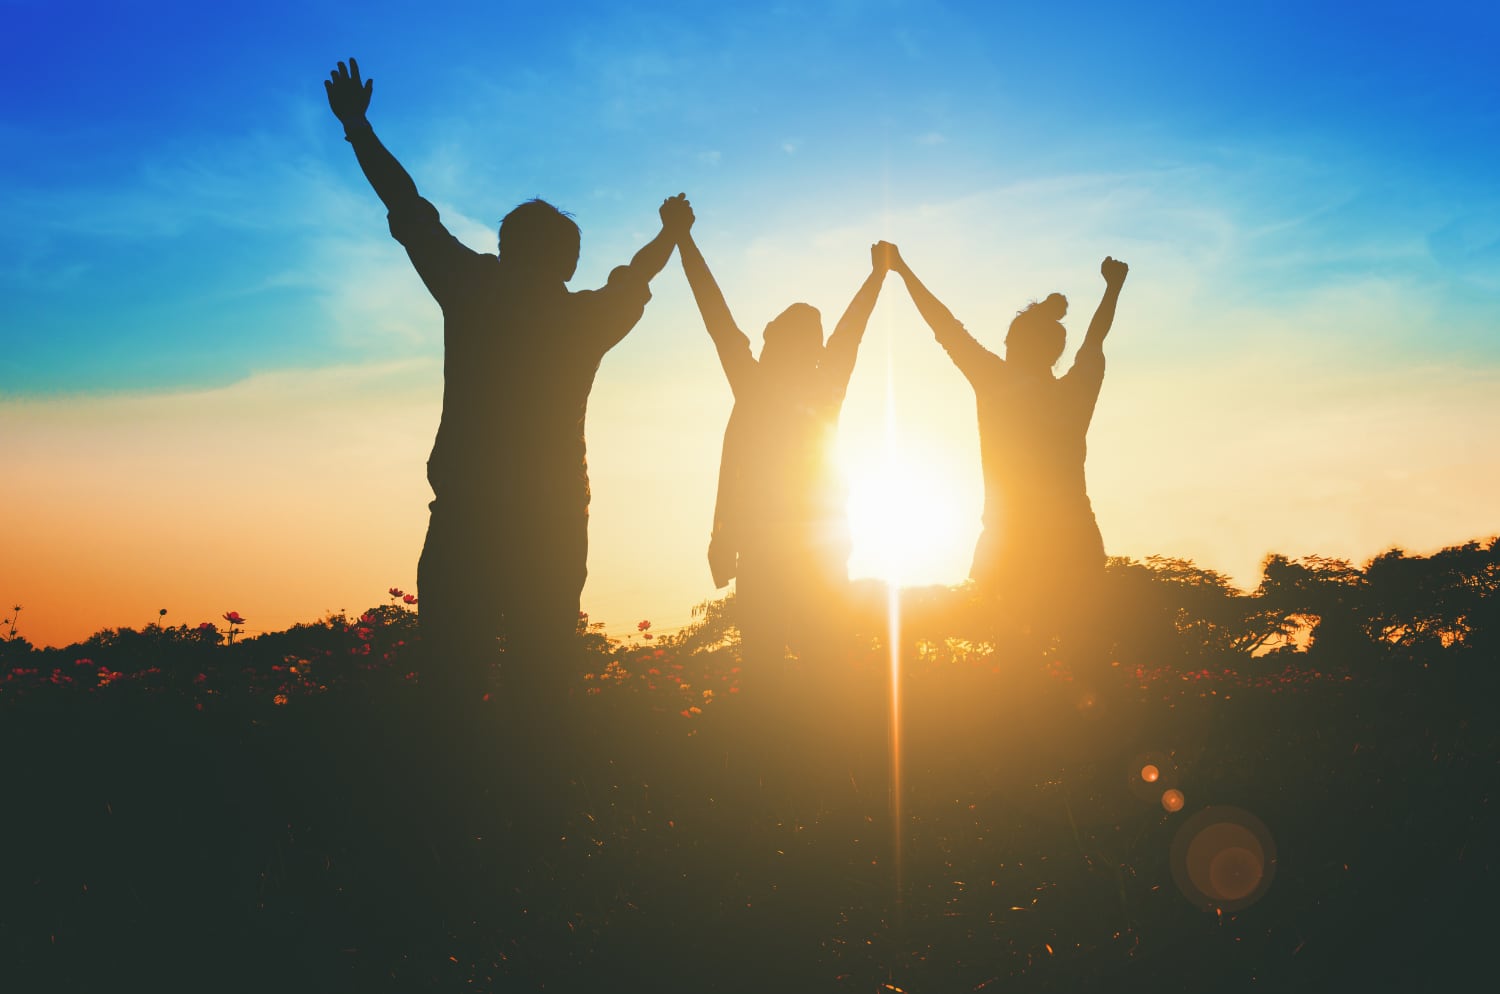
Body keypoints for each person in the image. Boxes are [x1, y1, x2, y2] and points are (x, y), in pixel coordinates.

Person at [324, 58, 693, 705]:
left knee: (452, 684)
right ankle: (536, 796)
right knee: (542, 684)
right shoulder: (582, 319)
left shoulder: (472, 290)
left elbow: (407, 206)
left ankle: (453, 798)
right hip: (551, 521)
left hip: (466, 520)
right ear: (570, 261)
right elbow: (636, 275)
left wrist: (358, 126)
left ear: (503, 247)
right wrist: (671, 232)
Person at [885, 244, 1128, 648]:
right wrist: (1113, 289)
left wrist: (902, 269)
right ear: (1053, 352)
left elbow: (945, 327)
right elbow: (1095, 339)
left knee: (1017, 667)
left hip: (1012, 541)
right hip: (1073, 540)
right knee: (1084, 658)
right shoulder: (1075, 392)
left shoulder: (995, 383)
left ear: (1014, 346)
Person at [675, 218, 891, 664]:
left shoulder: (757, 386)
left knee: (770, 665)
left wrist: (685, 240)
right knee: (823, 665)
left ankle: (776, 730)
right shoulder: (823, 386)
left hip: (771, 545)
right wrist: (876, 276)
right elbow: (851, 330)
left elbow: (716, 316)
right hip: (812, 546)